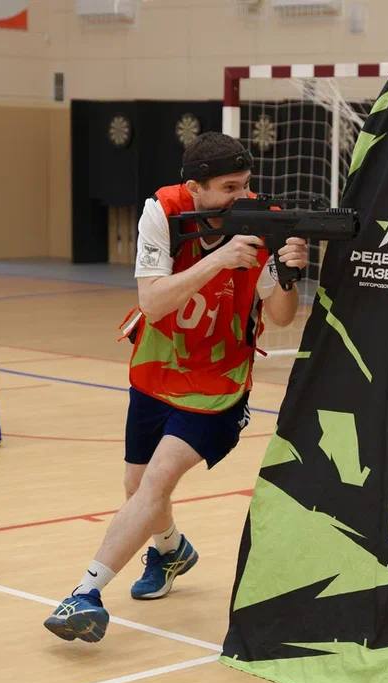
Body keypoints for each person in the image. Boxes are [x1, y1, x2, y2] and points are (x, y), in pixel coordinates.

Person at [44, 132, 308, 643]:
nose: (242, 196)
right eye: (229, 187)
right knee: (135, 488)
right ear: (194, 188)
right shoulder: (161, 214)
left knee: (155, 482)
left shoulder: (263, 222)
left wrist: (286, 272)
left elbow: (279, 317)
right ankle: (171, 551)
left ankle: (85, 594)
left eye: (246, 184)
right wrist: (219, 260)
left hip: (218, 385)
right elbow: (153, 302)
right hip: (156, 370)